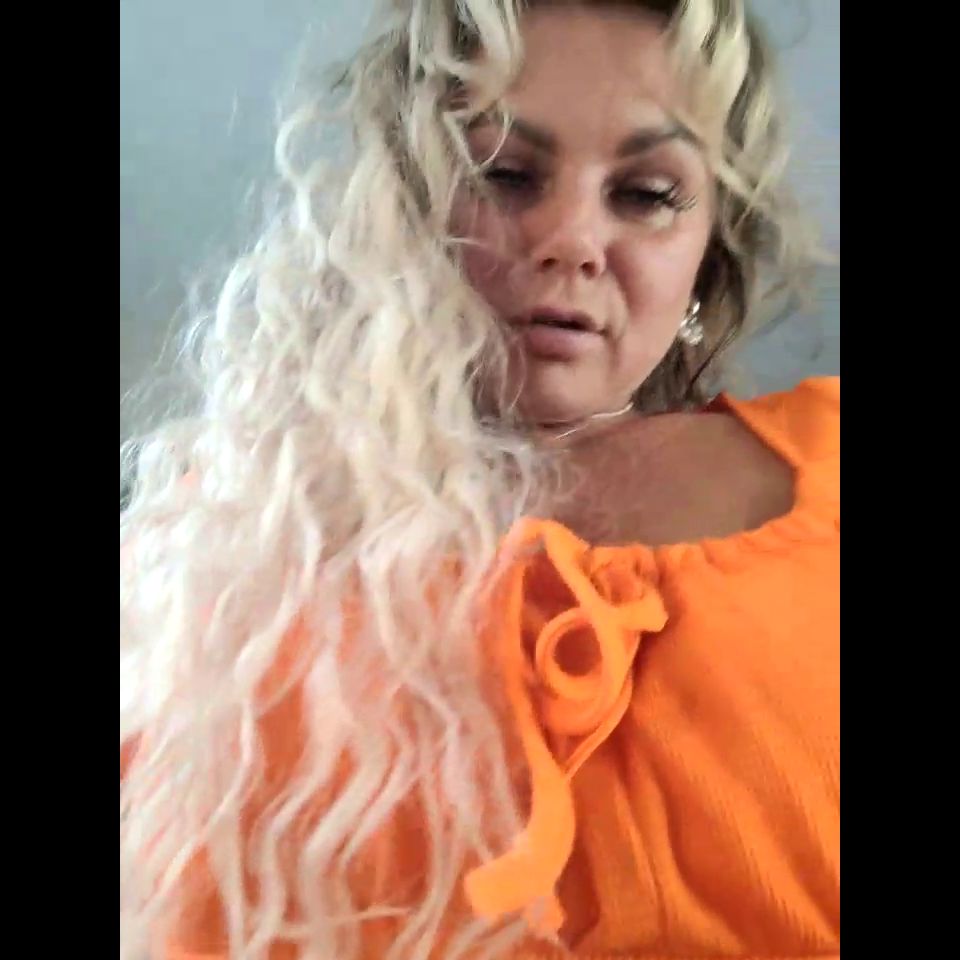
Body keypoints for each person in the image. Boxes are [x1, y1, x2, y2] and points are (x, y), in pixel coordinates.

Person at [119, 1, 839, 957]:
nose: (571, 238)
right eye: (503, 172)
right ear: (402, 206)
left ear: (709, 258)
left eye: (645, 194)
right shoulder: (210, 559)